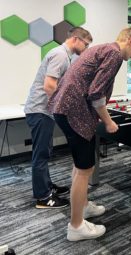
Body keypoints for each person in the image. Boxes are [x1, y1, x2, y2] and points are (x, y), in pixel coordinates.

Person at [48, 27, 131, 241]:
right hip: (74, 112)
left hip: (64, 109)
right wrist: (108, 122)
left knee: (80, 164)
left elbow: (90, 87)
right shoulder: (115, 54)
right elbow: (96, 93)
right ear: (130, 41)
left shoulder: (103, 49)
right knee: (85, 169)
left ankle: (83, 207)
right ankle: (76, 226)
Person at [24, 27, 93, 209]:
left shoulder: (66, 55)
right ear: (76, 39)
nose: (86, 48)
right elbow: (49, 86)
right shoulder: (60, 55)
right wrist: (64, 108)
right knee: (41, 154)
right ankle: (43, 197)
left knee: (45, 151)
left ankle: (46, 186)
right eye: (86, 44)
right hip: (40, 110)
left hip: (43, 111)